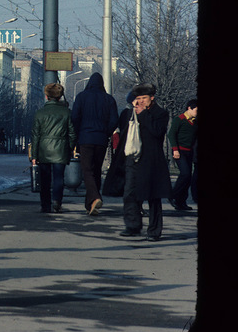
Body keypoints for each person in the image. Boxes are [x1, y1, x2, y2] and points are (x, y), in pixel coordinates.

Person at [115, 83, 172, 241]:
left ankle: (154, 231)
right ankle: (132, 225)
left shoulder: (160, 113)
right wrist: (133, 112)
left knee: (153, 196)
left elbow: (157, 132)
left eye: (144, 98)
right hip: (133, 158)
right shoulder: (130, 113)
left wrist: (144, 114)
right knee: (129, 193)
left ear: (152, 98)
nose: (140, 101)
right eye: (138, 98)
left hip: (152, 160)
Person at [70, 72, 118, 216]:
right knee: (96, 170)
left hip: (85, 139)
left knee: (87, 170)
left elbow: (74, 117)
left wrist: (78, 134)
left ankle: (96, 197)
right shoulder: (109, 99)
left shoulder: (81, 97)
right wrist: (106, 133)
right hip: (101, 140)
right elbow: (114, 120)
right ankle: (90, 205)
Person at [30, 83, 77, 213]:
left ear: (46, 96)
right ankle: (57, 201)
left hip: (43, 150)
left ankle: (45, 205)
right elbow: (72, 134)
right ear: (60, 97)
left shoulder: (40, 113)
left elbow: (35, 136)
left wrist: (34, 156)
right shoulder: (66, 112)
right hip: (60, 149)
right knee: (59, 178)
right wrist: (69, 149)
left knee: (44, 179)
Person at [167, 98, 198, 211]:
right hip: (179, 151)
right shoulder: (179, 119)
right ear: (189, 108)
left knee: (188, 177)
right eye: (196, 110)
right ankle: (173, 195)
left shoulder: (195, 122)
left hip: (189, 152)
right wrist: (175, 150)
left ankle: (181, 202)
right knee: (185, 174)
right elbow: (171, 134)